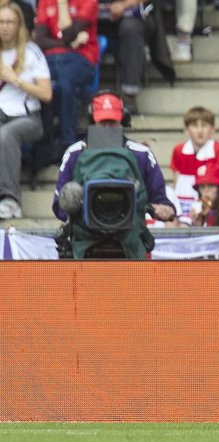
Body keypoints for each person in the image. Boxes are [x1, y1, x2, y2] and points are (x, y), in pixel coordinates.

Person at [52, 91, 176, 257]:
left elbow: (160, 200)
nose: (108, 127)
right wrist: (72, 201)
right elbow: (59, 207)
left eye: (113, 121)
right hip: (86, 241)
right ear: (92, 120)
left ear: (122, 120)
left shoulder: (141, 154)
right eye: (103, 122)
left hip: (130, 241)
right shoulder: (75, 152)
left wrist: (164, 209)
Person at [0, 3, 53, 220]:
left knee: (5, 135)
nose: (4, 27)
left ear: (19, 25)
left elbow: (47, 94)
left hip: (28, 117)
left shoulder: (32, 52)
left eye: (9, 22)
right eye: (1, 22)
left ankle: (10, 200)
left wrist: (16, 80)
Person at [34, 0, 97, 151]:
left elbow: (68, 33)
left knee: (65, 84)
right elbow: (40, 41)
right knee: (37, 83)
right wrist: (68, 44)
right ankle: (41, 144)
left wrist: (62, 4)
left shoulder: (89, 2)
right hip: (49, 58)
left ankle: (66, 144)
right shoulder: (45, 2)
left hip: (81, 58)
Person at [170, 106, 219, 225]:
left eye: (204, 125)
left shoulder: (217, 148)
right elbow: (176, 178)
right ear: (186, 130)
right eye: (195, 125)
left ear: (212, 130)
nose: (200, 130)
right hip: (184, 197)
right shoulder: (179, 150)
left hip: (208, 198)